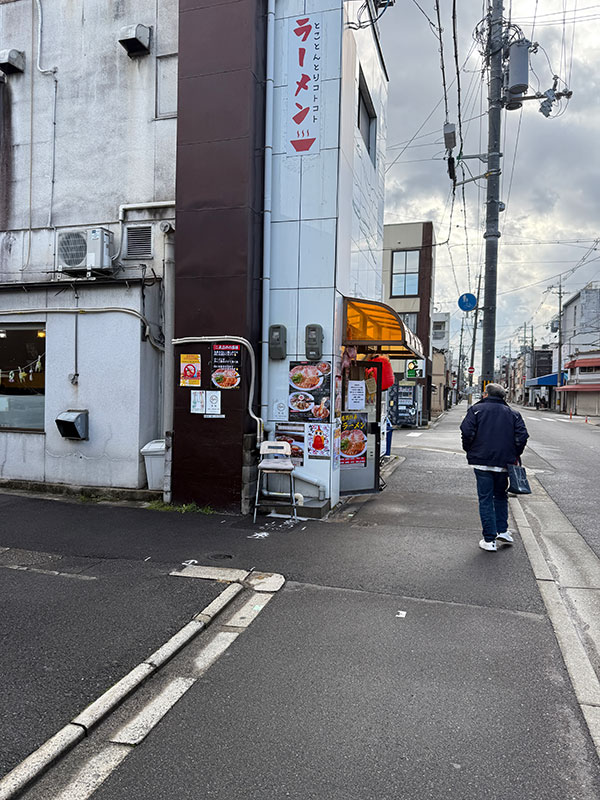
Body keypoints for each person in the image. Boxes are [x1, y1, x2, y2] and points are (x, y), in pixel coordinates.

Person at [460, 383, 529, 552]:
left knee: (485, 499)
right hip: (504, 462)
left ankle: (489, 539)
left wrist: (470, 449)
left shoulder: (476, 410)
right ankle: (503, 531)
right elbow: (522, 436)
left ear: (486, 394)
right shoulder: (513, 413)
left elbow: (467, 432)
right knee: (500, 496)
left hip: (481, 461)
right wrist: (514, 453)